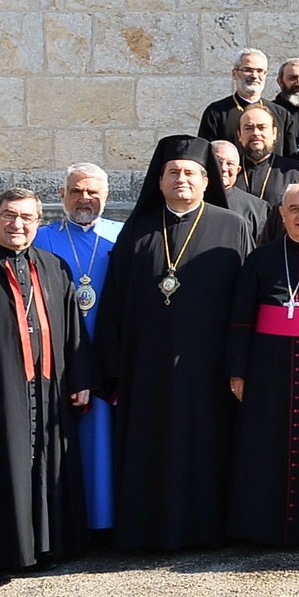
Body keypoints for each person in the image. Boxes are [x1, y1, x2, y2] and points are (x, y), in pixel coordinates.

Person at [95, 136, 254, 553]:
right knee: (151, 447)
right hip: (145, 367)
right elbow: (113, 304)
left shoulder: (232, 225)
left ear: (206, 180)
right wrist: (113, 367)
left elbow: (245, 302)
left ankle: (208, 531)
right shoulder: (138, 229)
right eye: (173, 173)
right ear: (159, 180)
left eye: (190, 173)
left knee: (207, 445)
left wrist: (238, 362)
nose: (181, 179)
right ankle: (147, 532)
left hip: (209, 366)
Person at [0, 188, 90, 575]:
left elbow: (74, 330)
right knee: (8, 464)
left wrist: (81, 377)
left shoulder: (54, 266)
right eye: (9, 216)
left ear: (38, 222)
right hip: (0, 388)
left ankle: (52, 544)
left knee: (50, 460)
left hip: (50, 386)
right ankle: (10, 550)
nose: (18, 225)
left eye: (27, 218)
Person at [224, 182, 299, 547]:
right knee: (266, 443)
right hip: (267, 367)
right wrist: (237, 370)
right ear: (282, 213)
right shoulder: (261, 258)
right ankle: (263, 526)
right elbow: (241, 318)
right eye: (294, 209)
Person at [34, 164, 122, 533]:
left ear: (106, 196)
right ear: (62, 195)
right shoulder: (40, 238)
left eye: (92, 192)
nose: (84, 199)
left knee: (106, 439)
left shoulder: (123, 236)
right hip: (58, 354)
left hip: (108, 350)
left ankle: (108, 520)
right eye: (76, 191)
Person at [197, 48, 269, 142]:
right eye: (247, 70)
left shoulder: (281, 114)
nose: (254, 76)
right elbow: (205, 151)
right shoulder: (216, 112)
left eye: (260, 71)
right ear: (234, 74)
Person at [209, 139, 276, 240]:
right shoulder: (191, 201)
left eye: (230, 164)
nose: (223, 168)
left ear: (238, 170)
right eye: (217, 161)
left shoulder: (258, 208)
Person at [235, 102, 296, 209]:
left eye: (262, 127)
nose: (256, 133)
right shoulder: (229, 170)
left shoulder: (294, 172)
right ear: (239, 135)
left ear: (274, 133)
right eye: (248, 128)